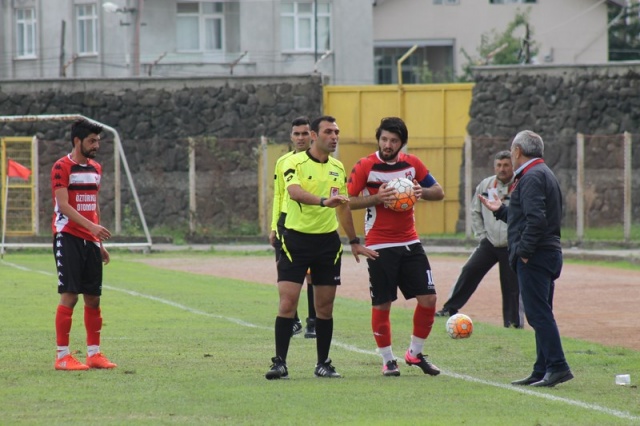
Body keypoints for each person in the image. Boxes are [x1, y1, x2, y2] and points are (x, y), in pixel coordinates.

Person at [265, 115, 378, 380]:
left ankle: (323, 363)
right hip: (296, 240)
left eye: (337, 132)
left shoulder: (338, 167)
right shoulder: (293, 162)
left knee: (324, 308)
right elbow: (293, 192)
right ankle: (279, 362)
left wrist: (353, 241)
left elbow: (343, 206)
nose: (334, 137)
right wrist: (322, 201)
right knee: (287, 302)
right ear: (314, 135)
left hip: (327, 243)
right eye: (329, 132)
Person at [347, 117, 444, 377]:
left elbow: (438, 191)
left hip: (411, 242)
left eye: (394, 141)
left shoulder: (412, 164)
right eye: (384, 139)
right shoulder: (365, 166)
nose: (388, 144)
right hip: (380, 243)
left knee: (429, 298)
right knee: (383, 303)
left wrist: (422, 193)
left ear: (402, 143)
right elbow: (346, 201)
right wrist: (378, 197)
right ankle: (388, 360)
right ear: (378, 139)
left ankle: (414, 353)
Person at [479, 130, 573, 387]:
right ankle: (541, 369)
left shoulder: (531, 177)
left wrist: (524, 253)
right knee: (540, 312)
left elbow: (536, 220)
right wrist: (501, 211)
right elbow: (528, 218)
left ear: (518, 151)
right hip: (547, 252)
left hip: (537, 255)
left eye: (511, 152)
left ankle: (557, 366)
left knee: (537, 313)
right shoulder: (543, 173)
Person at [51, 119, 117, 371]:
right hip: (67, 236)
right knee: (70, 296)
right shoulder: (61, 167)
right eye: (92, 140)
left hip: (91, 240)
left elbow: (94, 205)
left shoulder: (96, 168)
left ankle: (94, 354)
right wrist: (91, 228)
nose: (96, 145)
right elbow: (64, 205)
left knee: (93, 299)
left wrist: (98, 241)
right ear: (77, 141)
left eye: (98, 140)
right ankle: (62, 356)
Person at [436, 151, 523, 328]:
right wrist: (482, 236)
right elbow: (475, 211)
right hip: (489, 242)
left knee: (511, 286)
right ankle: (450, 308)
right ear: (494, 167)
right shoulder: (487, 185)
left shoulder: (521, 185)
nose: (502, 169)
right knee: (469, 270)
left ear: (512, 166)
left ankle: (513, 323)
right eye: (499, 165)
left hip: (511, 245)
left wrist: (518, 238)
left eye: (506, 165)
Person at [269, 116, 316, 338]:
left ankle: (313, 322)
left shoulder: (319, 161)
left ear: (312, 135)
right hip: (285, 221)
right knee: (285, 271)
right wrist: (273, 226)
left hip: (308, 220)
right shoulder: (283, 161)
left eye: (304, 133)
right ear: (291, 136)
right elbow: (278, 194)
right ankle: (294, 320)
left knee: (311, 274)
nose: (300, 138)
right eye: (296, 134)